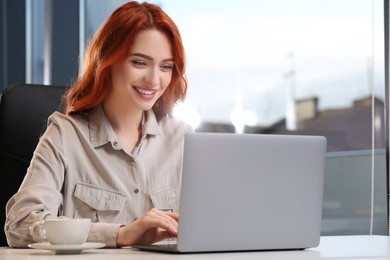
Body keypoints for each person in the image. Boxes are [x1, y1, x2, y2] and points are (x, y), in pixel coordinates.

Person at [5, 1, 193, 248]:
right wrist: (119, 234)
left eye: (166, 66)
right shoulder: (65, 135)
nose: (154, 80)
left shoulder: (183, 139)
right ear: (108, 60)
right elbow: (20, 226)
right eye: (139, 62)